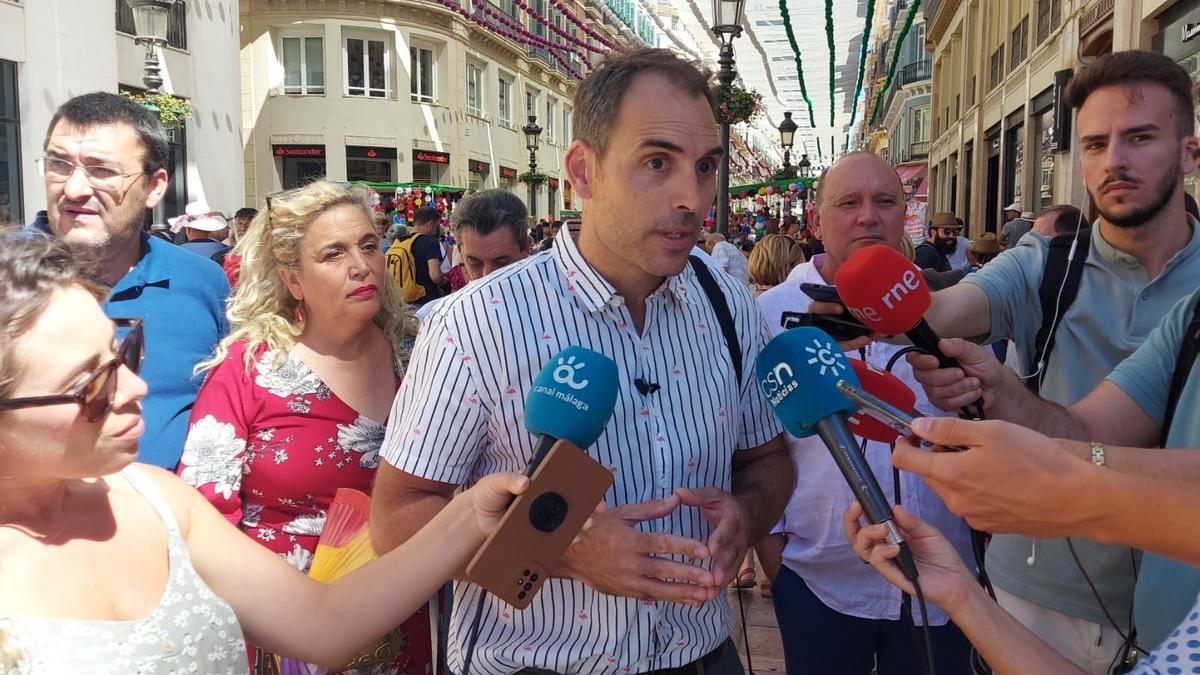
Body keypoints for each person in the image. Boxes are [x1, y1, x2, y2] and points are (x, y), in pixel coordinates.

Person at [370, 47, 792, 675]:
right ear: (583, 172)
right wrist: (564, 549)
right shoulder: (476, 322)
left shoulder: (727, 301)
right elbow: (397, 520)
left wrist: (748, 512)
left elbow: (768, 458)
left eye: (705, 167)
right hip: (537, 662)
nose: (690, 197)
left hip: (705, 653)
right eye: (657, 162)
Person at [806, 51, 1200, 673]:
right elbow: (950, 310)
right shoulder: (1043, 263)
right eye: (1095, 144)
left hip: (1176, 600)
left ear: (1189, 152)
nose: (1115, 161)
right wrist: (878, 315)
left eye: (1141, 138)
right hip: (1037, 590)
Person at [0, 227, 528, 674]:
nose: (136, 389)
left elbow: (322, 621)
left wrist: (467, 517)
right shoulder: (247, 373)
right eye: (90, 384)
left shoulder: (156, 500)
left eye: (124, 350)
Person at [175, 182, 430, 673]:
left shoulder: (419, 360)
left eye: (369, 245)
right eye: (334, 253)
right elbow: (203, 519)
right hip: (277, 635)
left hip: (396, 630)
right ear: (294, 280)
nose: (361, 265)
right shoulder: (249, 368)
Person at [757, 152, 974, 675]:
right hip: (818, 580)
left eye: (884, 201)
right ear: (817, 219)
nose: (867, 216)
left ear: (906, 214)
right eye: (848, 203)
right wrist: (776, 563)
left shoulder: (954, 308)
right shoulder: (766, 315)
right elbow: (751, 443)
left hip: (940, 583)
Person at [32, 91, 229, 469]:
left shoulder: (204, 282)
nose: (74, 189)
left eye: (101, 170)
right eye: (59, 164)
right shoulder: (11, 285)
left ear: (154, 186)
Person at [415, 189, 533, 321]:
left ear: (526, 247)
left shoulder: (555, 308)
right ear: (460, 252)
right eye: (474, 263)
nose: (486, 275)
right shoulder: (433, 319)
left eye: (501, 262)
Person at [386, 206, 446, 306]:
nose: (435, 231)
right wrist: (444, 279)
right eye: (436, 226)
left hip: (402, 301)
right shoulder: (430, 242)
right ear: (430, 224)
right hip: (426, 301)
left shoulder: (399, 241)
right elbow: (435, 276)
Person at [914, 211, 965, 276]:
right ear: (933, 232)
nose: (951, 236)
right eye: (946, 232)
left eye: (955, 232)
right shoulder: (927, 252)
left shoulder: (936, 250)